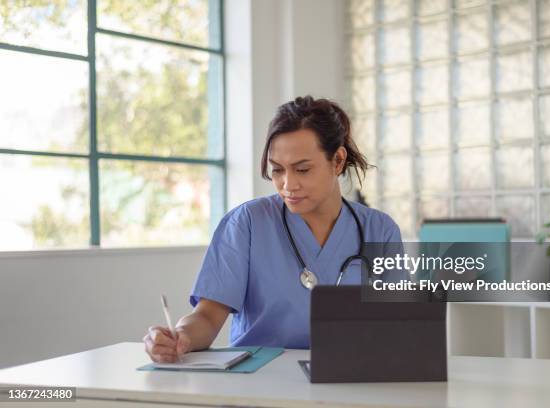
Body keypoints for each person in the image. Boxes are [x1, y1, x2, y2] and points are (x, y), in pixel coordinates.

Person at [144, 96, 402, 363]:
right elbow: (208, 316)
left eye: (303, 169)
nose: (288, 184)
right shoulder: (247, 223)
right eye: (278, 170)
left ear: (337, 161)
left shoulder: (379, 231)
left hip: (349, 377)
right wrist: (180, 336)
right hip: (260, 380)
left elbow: (400, 325)